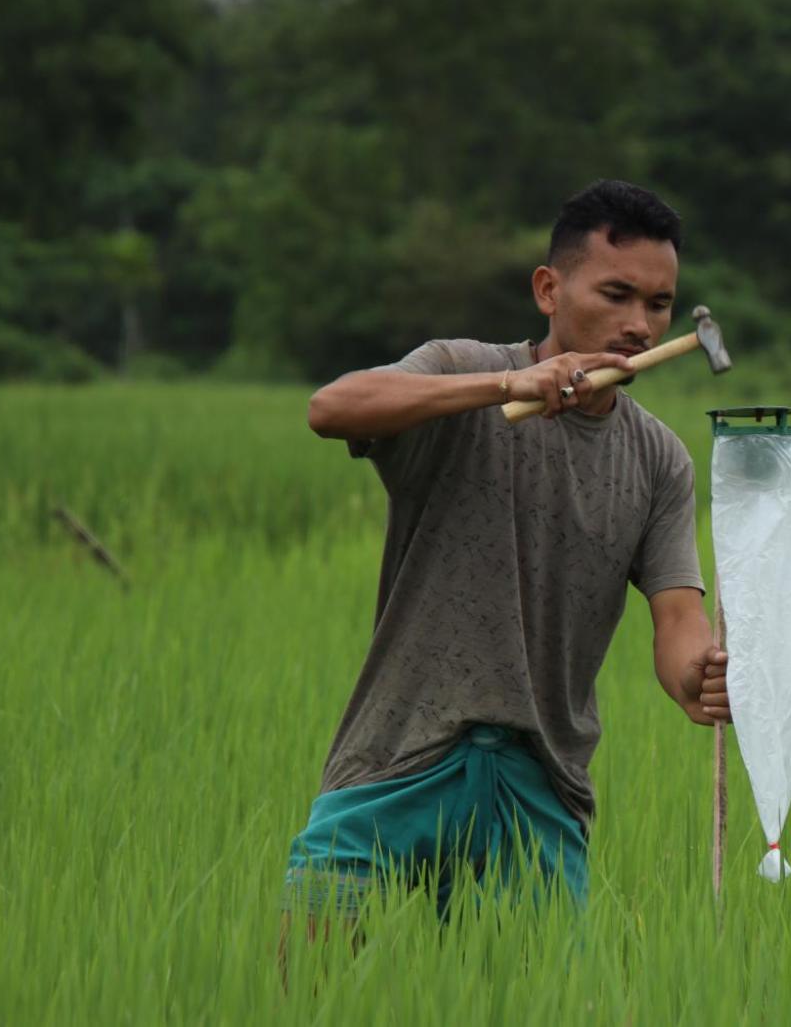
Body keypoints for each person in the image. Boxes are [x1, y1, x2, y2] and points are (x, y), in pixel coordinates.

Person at [279, 180, 726, 952]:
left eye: (658, 304)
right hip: (398, 758)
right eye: (616, 294)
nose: (638, 324)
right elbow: (332, 407)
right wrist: (500, 387)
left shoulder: (657, 460)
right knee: (302, 981)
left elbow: (678, 614)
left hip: (540, 783)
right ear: (549, 290)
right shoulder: (462, 370)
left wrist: (700, 675)